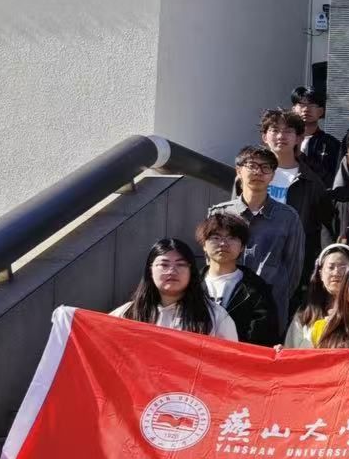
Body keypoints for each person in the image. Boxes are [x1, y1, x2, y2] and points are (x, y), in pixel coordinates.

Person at [215, 147, 305, 327]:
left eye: (265, 167)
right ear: (239, 171)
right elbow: (212, 262)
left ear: (272, 175)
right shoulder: (220, 214)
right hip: (224, 304)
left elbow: (294, 268)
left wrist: (278, 293)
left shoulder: (288, 217)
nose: (258, 172)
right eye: (252, 166)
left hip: (271, 306)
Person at [112, 238, 238, 339]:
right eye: (164, 264)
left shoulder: (215, 317)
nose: (172, 271)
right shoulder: (126, 314)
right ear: (150, 270)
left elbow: (229, 358)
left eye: (180, 264)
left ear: (191, 271)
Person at [197, 212, 280, 347]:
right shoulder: (190, 284)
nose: (223, 243)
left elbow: (264, 336)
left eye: (231, 238)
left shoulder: (257, 288)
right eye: (216, 237)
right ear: (204, 245)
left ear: (242, 247)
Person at [261, 108, 331, 265]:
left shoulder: (311, 180)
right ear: (264, 136)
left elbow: (320, 227)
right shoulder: (249, 175)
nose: (281, 136)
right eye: (275, 130)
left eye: (288, 131)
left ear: (299, 138)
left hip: (293, 259)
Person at [286, 243, 349, 347]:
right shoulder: (305, 316)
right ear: (321, 274)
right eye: (331, 267)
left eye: (343, 267)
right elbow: (290, 350)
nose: (336, 272)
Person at [289, 86, 342, 187]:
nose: (306, 109)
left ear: (321, 111)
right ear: (293, 109)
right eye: (301, 104)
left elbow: (334, 177)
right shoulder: (286, 140)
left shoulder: (332, 144)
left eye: (312, 105)